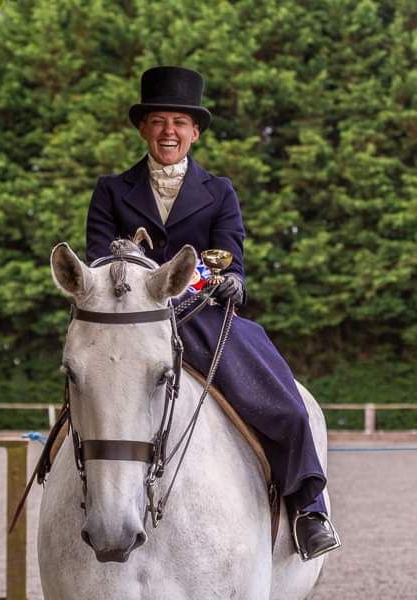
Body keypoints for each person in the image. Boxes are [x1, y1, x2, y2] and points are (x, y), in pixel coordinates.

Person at [85, 65, 340, 560]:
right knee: (89, 384)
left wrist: (231, 281)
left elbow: (232, 257)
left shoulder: (219, 190)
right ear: (143, 128)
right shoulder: (111, 190)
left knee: (284, 405)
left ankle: (308, 508)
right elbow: (98, 261)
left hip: (201, 317)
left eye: (179, 122)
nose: (168, 132)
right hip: (131, 322)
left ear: (194, 132)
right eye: (159, 120)